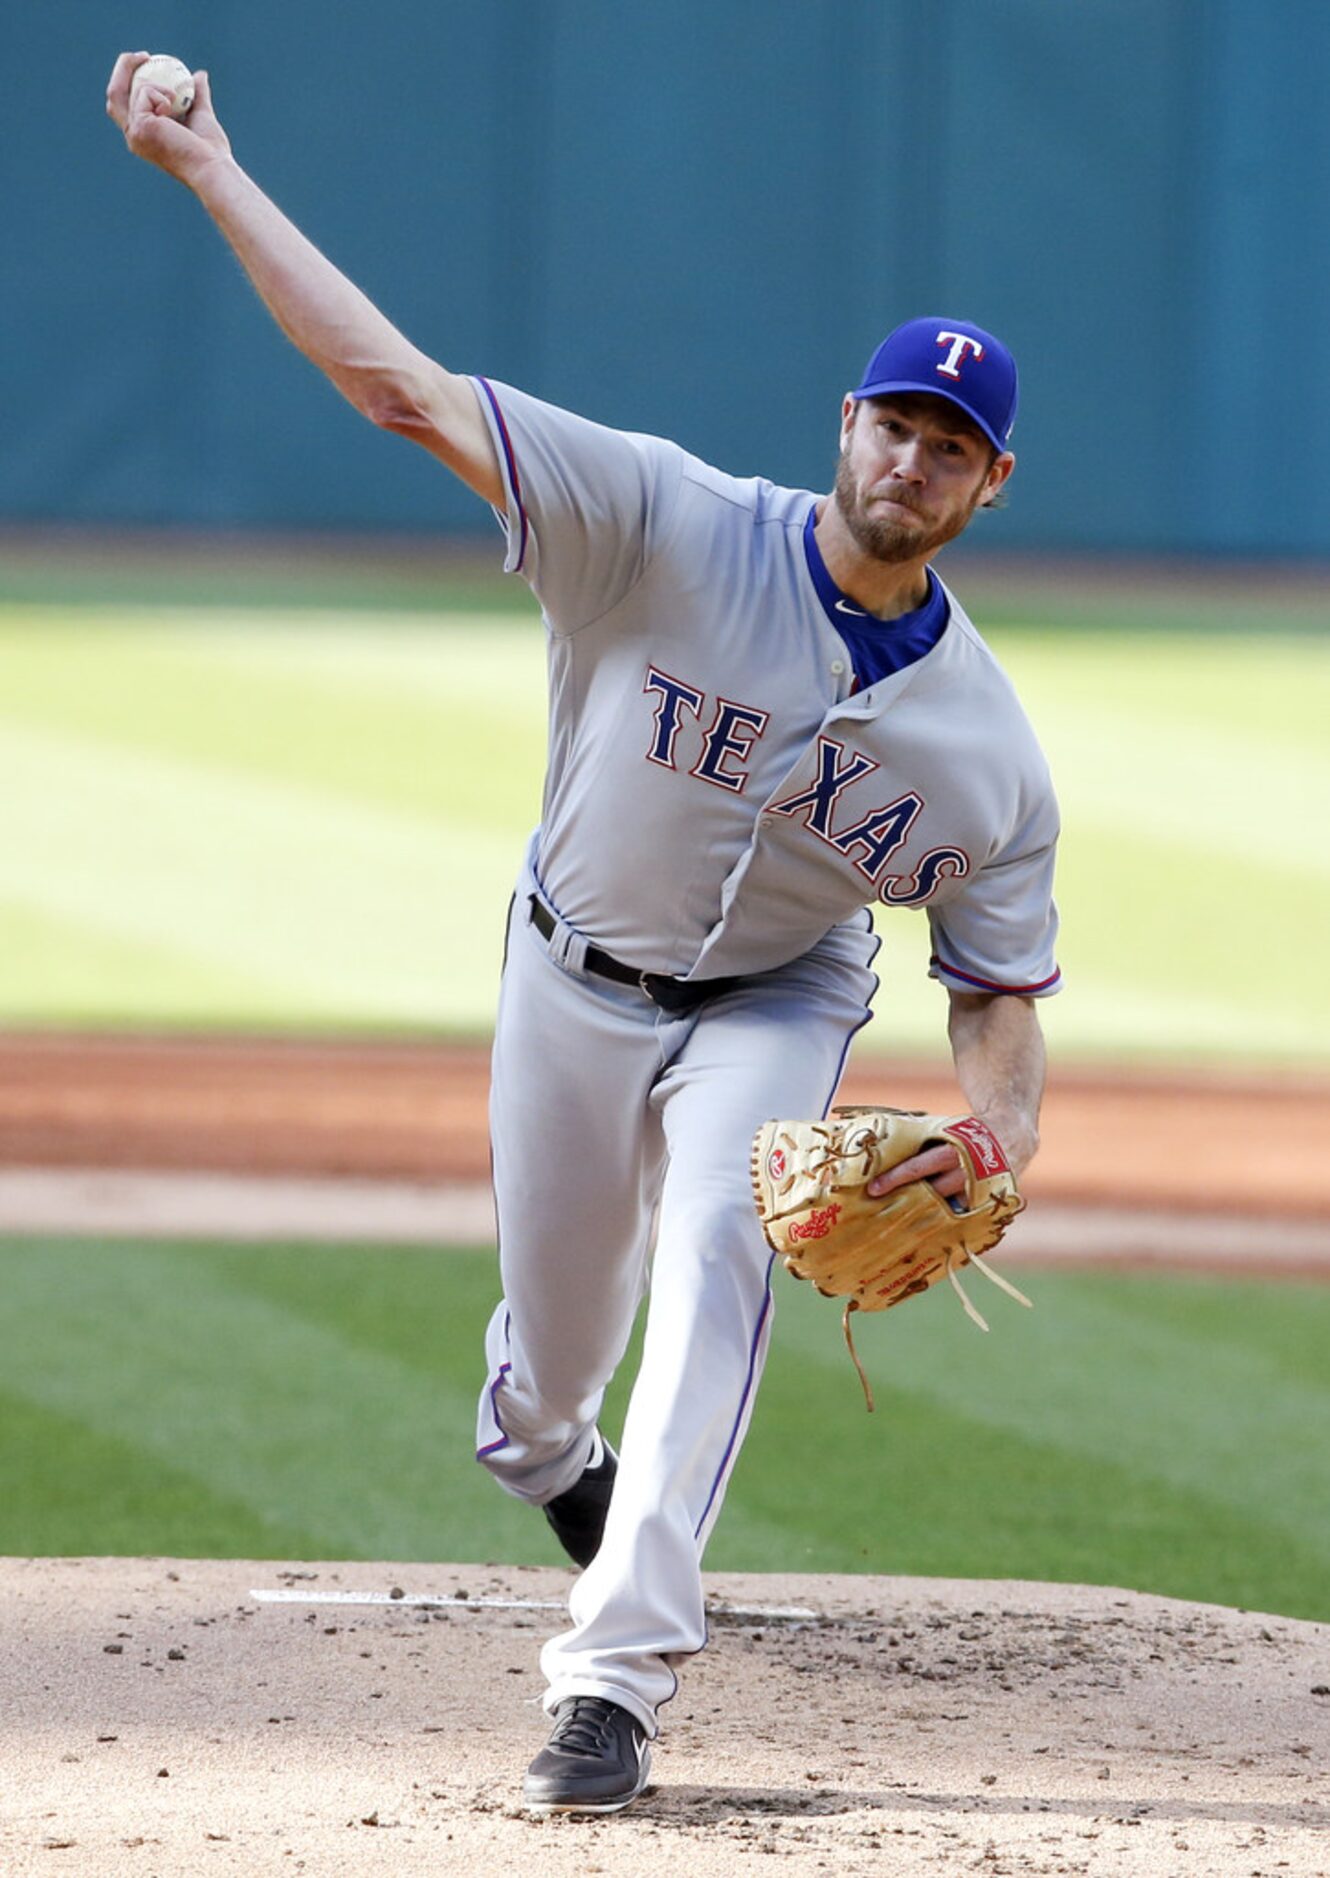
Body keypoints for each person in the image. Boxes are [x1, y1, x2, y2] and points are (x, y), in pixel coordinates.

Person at [108, 53, 1061, 1817]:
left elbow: (995, 988)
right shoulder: (657, 517)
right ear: (840, 424)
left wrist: (998, 1127)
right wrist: (214, 172)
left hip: (780, 1000)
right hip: (567, 971)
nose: (911, 457)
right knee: (546, 1374)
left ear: (986, 487)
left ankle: (609, 1681)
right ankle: (551, 1453)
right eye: (892, 422)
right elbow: (400, 392)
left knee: (718, 1255)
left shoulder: (988, 750)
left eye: (952, 446)